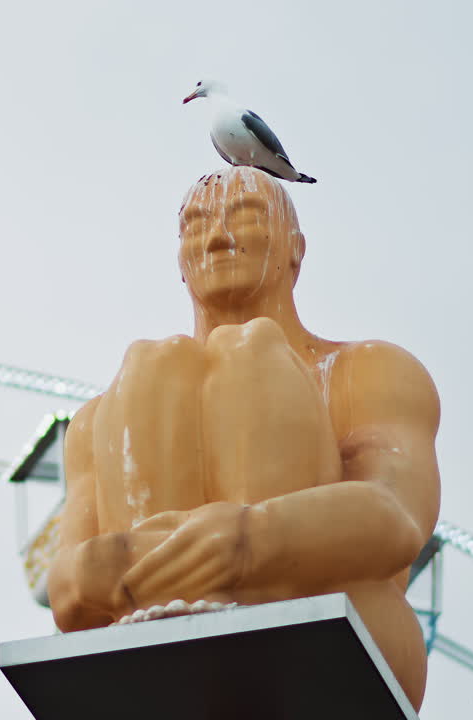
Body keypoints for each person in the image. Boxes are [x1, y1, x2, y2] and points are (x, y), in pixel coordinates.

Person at [46, 166, 441, 709]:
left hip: (337, 627)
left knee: (250, 355)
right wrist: (137, 562)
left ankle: (232, 605)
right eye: (195, 225)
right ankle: (181, 619)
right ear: (179, 264)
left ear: (296, 248)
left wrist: (253, 539)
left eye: (247, 217)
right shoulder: (102, 416)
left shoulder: (368, 371)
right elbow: (65, 590)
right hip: (152, 635)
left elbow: (396, 516)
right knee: (151, 363)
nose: (215, 237)